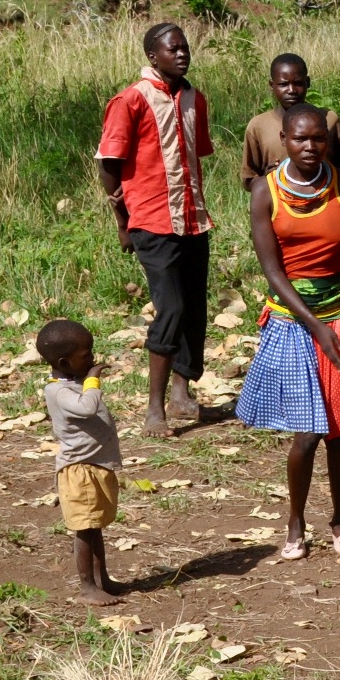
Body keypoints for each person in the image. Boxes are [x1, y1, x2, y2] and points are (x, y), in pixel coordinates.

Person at [236, 105, 340, 560]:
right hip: (294, 321)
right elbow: (273, 272)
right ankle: (295, 520)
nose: (311, 148)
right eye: (300, 140)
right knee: (306, 434)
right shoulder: (265, 191)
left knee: (339, 431)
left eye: (318, 139)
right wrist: (316, 327)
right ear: (284, 139)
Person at [96, 23, 212, 439]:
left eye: (185, 48)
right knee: (171, 307)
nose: (182, 55)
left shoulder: (194, 98)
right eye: (172, 49)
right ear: (152, 56)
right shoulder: (131, 100)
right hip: (150, 218)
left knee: (195, 305)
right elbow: (109, 163)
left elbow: (194, 157)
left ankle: (182, 393)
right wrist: (122, 224)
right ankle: (154, 409)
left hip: (193, 218)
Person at [36, 319, 122, 605]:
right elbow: (87, 407)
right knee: (85, 531)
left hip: (93, 465)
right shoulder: (57, 391)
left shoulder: (70, 382)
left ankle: (102, 580)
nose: (92, 359)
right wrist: (93, 379)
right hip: (79, 470)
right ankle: (87, 587)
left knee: (94, 526)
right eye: (86, 356)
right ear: (64, 361)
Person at [241, 53, 340, 189]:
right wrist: (269, 179)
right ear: (271, 85)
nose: (291, 90)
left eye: (298, 83)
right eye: (283, 84)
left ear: (308, 82)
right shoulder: (258, 126)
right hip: (278, 204)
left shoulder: (329, 119)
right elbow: (249, 179)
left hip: (324, 198)